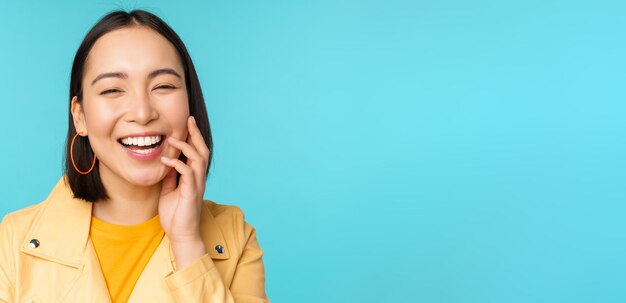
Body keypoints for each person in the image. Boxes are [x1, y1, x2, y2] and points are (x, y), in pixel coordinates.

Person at [0, 10, 269, 303]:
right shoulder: (11, 242)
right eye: (113, 89)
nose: (142, 114)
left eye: (163, 86)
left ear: (190, 103)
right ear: (80, 117)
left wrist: (187, 243)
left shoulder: (234, 236)